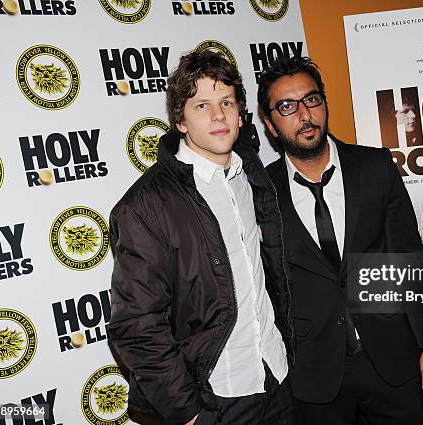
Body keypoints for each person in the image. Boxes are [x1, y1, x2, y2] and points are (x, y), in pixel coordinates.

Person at [108, 49, 293, 425]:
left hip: (277, 375)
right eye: (202, 105)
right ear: (180, 120)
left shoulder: (252, 173)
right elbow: (136, 324)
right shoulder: (144, 206)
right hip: (216, 398)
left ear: (241, 111)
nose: (219, 115)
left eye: (226, 102)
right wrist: (189, 413)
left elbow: (270, 272)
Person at [257, 55, 423, 425]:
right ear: (270, 123)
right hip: (314, 372)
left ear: (324, 104)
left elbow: (408, 257)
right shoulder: (260, 192)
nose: (304, 115)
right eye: (286, 106)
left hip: (392, 356)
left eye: (311, 100)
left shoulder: (375, 168)